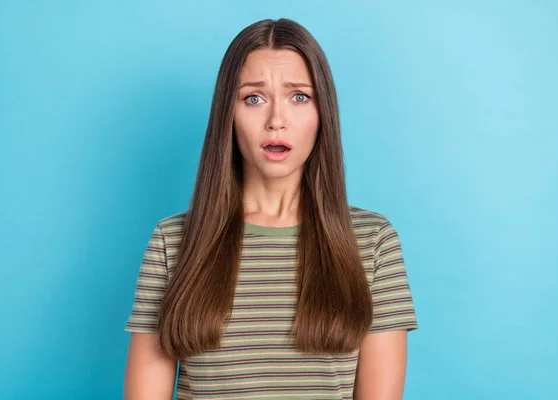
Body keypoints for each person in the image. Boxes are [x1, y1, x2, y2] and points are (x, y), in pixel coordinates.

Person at [123, 18, 418, 400]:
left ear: (322, 112)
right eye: (253, 98)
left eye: (299, 96)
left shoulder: (373, 242)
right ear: (227, 115)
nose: (276, 120)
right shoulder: (173, 241)